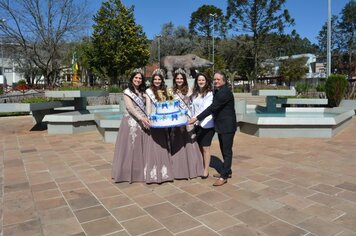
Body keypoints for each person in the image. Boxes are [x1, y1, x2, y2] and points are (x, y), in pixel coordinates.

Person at [189, 71, 236, 186]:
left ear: (224, 80)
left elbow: (212, 108)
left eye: (218, 79)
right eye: (214, 79)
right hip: (221, 126)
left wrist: (196, 118)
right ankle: (227, 170)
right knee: (224, 150)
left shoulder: (224, 92)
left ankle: (224, 176)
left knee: (227, 151)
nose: (216, 81)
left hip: (227, 126)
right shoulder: (217, 91)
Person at [112, 69, 150, 183]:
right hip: (132, 122)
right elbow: (130, 108)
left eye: (140, 78)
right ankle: (128, 173)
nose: (138, 80)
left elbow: (147, 104)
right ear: (132, 79)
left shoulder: (144, 91)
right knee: (131, 147)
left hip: (143, 121)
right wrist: (141, 118)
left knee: (142, 147)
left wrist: (147, 117)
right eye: (136, 78)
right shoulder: (127, 92)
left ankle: (141, 171)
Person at [170, 68, 204, 179]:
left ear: (184, 79)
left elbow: (194, 103)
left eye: (181, 78)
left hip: (187, 119)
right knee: (178, 141)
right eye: (177, 78)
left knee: (189, 142)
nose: (179, 80)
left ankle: (193, 168)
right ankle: (178, 169)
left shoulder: (189, 90)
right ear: (175, 79)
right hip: (176, 121)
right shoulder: (170, 91)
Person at [145, 69, 174, 183]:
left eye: (159, 79)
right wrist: (149, 118)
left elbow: (172, 105)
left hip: (165, 121)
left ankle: (166, 167)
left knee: (164, 143)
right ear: (153, 80)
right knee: (155, 144)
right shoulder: (148, 91)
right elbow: (148, 106)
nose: (157, 81)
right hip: (155, 121)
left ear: (162, 80)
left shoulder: (167, 90)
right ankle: (155, 168)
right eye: (155, 79)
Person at [191, 73, 215, 179]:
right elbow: (193, 108)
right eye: (199, 80)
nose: (201, 82)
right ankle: (201, 166)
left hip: (207, 125)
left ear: (206, 82)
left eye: (203, 80)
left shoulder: (210, 94)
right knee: (199, 147)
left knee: (206, 148)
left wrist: (194, 118)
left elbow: (206, 109)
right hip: (197, 125)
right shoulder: (195, 94)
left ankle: (206, 170)